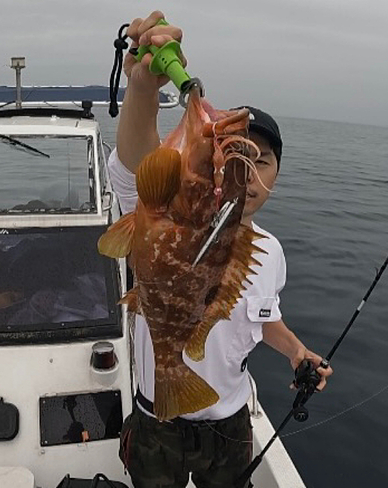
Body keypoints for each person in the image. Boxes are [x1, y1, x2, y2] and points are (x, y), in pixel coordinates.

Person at [108, 11, 333, 488]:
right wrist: (145, 89)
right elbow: (135, 158)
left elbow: (262, 317)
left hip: (231, 424)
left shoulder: (268, 250)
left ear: (274, 178)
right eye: (232, 154)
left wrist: (296, 352)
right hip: (157, 419)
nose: (246, 171)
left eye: (260, 161)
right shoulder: (164, 205)